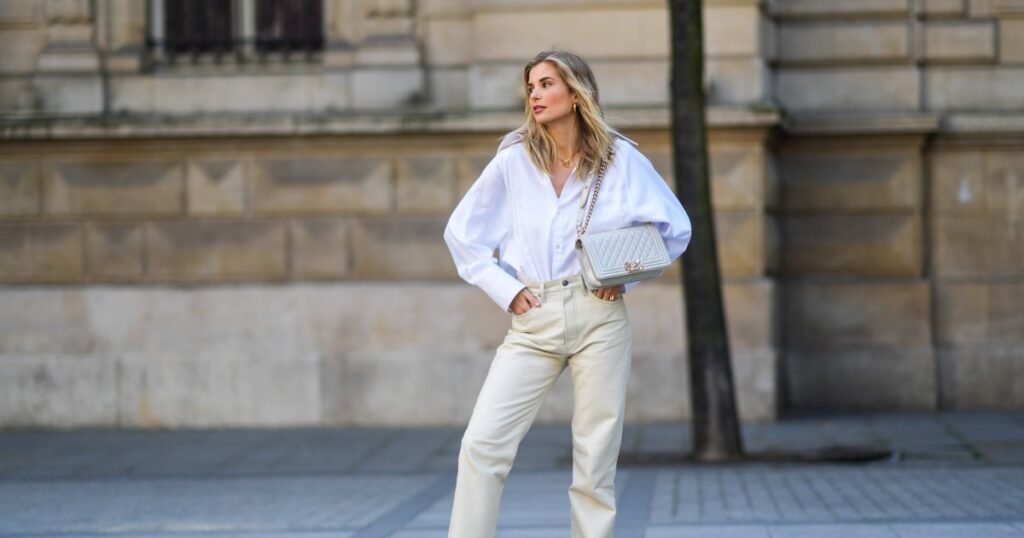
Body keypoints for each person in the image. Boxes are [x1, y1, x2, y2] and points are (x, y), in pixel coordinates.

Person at [443, 49, 692, 538]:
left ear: (576, 93)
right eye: (531, 86)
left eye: (546, 84)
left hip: (599, 316)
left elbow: (676, 227)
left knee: (595, 458)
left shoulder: (620, 159)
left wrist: (624, 277)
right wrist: (507, 289)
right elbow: (461, 233)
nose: (535, 94)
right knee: (482, 445)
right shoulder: (514, 161)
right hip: (532, 318)